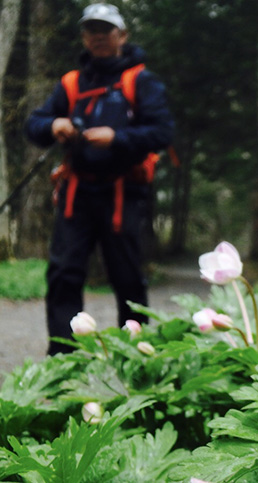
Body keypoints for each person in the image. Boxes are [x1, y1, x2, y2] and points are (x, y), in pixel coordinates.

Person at [25, 3, 174, 354]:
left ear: (122, 35)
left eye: (105, 30)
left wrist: (117, 137)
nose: (98, 37)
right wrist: (54, 125)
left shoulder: (140, 81)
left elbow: (163, 131)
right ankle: (64, 357)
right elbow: (34, 125)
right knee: (64, 273)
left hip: (124, 191)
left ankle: (137, 353)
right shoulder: (71, 83)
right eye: (91, 30)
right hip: (77, 190)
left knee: (126, 275)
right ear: (84, 36)